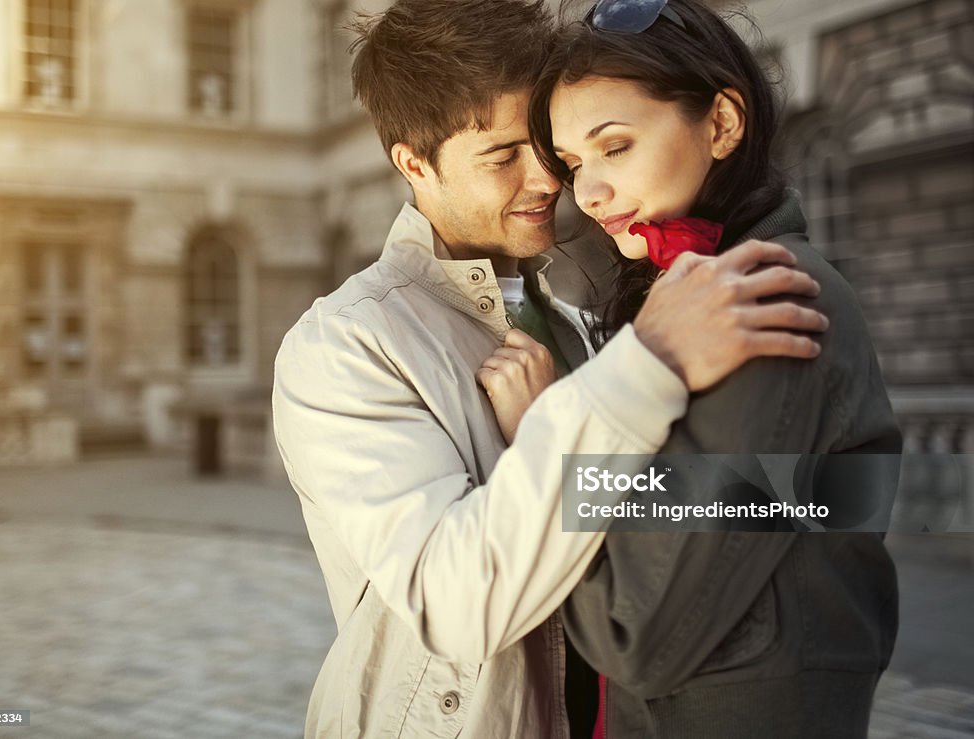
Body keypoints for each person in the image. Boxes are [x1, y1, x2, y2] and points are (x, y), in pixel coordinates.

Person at [271, 1, 831, 736]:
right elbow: (457, 602)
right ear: (413, 163)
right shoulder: (348, 344)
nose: (546, 181)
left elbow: (802, 497)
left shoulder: (612, 282)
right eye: (502, 156)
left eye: (548, 147)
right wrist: (638, 372)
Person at [478, 0, 899, 736]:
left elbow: (633, 632)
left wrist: (545, 434)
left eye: (616, 147)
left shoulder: (761, 297)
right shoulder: (686, 301)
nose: (591, 192)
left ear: (722, 123)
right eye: (575, 163)